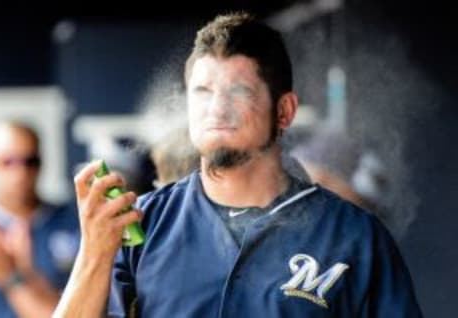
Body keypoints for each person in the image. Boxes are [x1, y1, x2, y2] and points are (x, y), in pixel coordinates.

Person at [54, 12, 422, 317]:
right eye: (203, 92)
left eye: (239, 91)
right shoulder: (144, 225)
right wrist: (93, 253)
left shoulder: (353, 236)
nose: (217, 108)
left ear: (284, 111)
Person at [0, 120, 80, 317]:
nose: (21, 172)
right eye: (8, 162)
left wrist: (16, 276)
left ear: (41, 163)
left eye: (30, 161)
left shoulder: (75, 222)